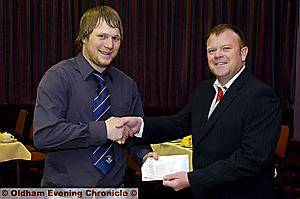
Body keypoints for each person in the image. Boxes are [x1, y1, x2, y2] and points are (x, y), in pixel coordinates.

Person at [117, 24, 281, 198]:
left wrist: (192, 180)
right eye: (212, 51)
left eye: (226, 48)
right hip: (205, 191)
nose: (218, 55)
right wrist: (140, 125)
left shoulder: (261, 96)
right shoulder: (205, 90)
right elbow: (179, 123)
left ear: (243, 53)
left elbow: (250, 160)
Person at [33, 6, 157, 187]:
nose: (110, 45)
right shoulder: (57, 77)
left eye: (116, 38)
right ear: (84, 37)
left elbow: (134, 137)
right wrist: (103, 131)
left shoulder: (127, 85)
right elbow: (44, 135)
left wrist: (145, 155)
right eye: (102, 36)